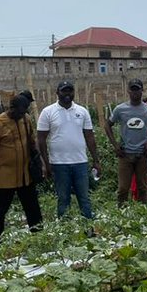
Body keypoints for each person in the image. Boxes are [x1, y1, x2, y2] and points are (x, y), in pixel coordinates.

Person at [38, 80, 102, 220]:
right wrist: (45, 163)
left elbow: (90, 137)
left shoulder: (82, 111)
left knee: (84, 198)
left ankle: (88, 226)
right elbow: (41, 140)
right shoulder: (48, 112)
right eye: (64, 91)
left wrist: (96, 160)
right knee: (63, 199)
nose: (67, 94)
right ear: (57, 93)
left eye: (70, 90)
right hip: (59, 164)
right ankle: (65, 228)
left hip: (80, 162)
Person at [0, 93, 43, 242]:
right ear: (12, 108)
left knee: (33, 209)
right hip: (5, 177)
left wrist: (40, 163)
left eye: (24, 112)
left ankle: (39, 238)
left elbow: (32, 142)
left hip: (26, 175)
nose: (22, 115)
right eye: (20, 112)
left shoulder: (26, 119)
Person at [104, 79, 147, 204]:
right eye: (132, 89)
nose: (135, 92)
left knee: (142, 188)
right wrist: (115, 145)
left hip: (142, 155)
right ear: (128, 91)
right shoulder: (120, 109)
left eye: (137, 89)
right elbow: (107, 125)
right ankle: (121, 212)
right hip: (125, 154)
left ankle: (142, 212)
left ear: (142, 91)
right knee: (123, 189)